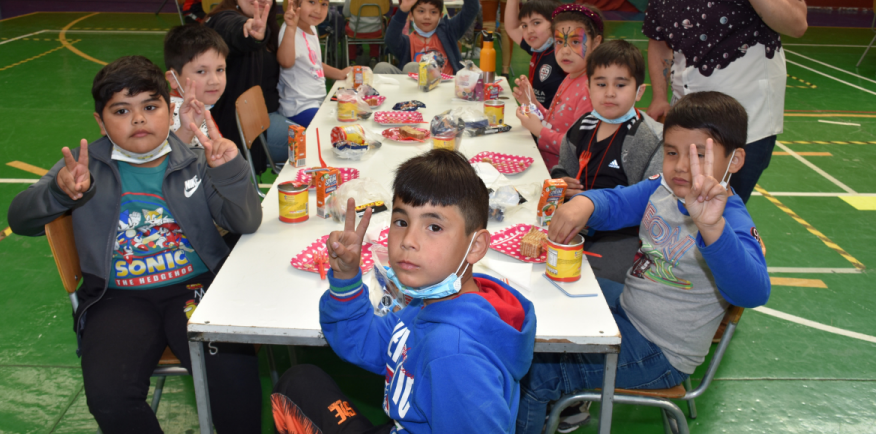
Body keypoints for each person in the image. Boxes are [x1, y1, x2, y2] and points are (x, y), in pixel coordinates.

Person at [7, 56, 262, 434]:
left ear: (168, 110)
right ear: (100, 121)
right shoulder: (83, 168)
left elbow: (245, 221)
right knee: (109, 395)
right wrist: (60, 194)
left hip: (197, 291)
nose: (139, 119)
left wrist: (230, 170)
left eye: (150, 106)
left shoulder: (194, 160)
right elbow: (19, 219)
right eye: (122, 110)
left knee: (234, 384)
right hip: (116, 298)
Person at [516, 91, 770, 434]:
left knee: (535, 373)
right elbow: (618, 202)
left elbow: (752, 292)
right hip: (628, 309)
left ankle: (541, 405)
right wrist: (586, 204)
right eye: (671, 152)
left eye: (698, 155)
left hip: (661, 352)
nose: (681, 165)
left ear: (735, 160)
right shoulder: (664, 187)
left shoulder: (731, 221)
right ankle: (563, 403)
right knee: (539, 291)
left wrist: (712, 228)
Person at [271, 149, 537, 434]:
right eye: (401, 222)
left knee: (292, 390)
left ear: (475, 246)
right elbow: (366, 343)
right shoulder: (433, 300)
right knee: (298, 380)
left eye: (434, 226)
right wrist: (347, 277)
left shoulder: (453, 355)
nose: (408, 240)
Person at [639, 0, 807, 204]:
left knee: (722, 210)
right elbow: (659, 41)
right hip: (686, 119)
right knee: (680, 206)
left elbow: (797, 23)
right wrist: (660, 95)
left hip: (745, 125)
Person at [552, 40, 663, 284]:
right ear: (588, 87)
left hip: (622, 235)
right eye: (601, 84)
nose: (610, 92)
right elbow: (563, 169)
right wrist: (560, 183)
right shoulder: (581, 126)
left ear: (639, 91)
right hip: (575, 223)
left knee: (599, 287)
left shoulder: (648, 139)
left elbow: (651, 202)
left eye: (621, 84)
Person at [206, 0, 287, 170]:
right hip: (250, 126)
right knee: (312, 141)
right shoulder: (225, 20)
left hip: (274, 111)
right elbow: (232, 30)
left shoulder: (269, 28)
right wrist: (248, 31)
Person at [513, 3, 602, 170]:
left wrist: (539, 131)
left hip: (564, 179)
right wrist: (533, 103)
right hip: (546, 169)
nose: (565, 50)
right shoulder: (570, 76)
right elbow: (556, 121)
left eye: (575, 41)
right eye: (559, 41)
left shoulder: (589, 90)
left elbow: (579, 147)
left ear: (596, 43)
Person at [277, 0, 351, 128]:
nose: (318, 10)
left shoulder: (311, 27)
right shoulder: (289, 30)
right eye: (311, 2)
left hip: (317, 102)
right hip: (298, 108)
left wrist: (340, 73)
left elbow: (314, 63)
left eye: (324, 4)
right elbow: (286, 62)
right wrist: (290, 28)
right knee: (334, 131)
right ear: (295, 2)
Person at [163, 22, 229, 150]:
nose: (214, 81)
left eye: (220, 70)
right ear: (173, 78)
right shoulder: (174, 120)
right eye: (201, 71)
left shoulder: (199, 107)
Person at [503, 0, 564, 107]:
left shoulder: (563, 54)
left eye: (536, 23)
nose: (529, 30)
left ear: (555, 23)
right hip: (538, 120)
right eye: (524, 25)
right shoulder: (539, 49)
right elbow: (512, 27)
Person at [343, 0, 392, 65]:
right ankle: (374, 57)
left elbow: (346, 13)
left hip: (355, 31)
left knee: (349, 28)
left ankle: (352, 59)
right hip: (376, 31)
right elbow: (388, 2)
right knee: (376, 24)